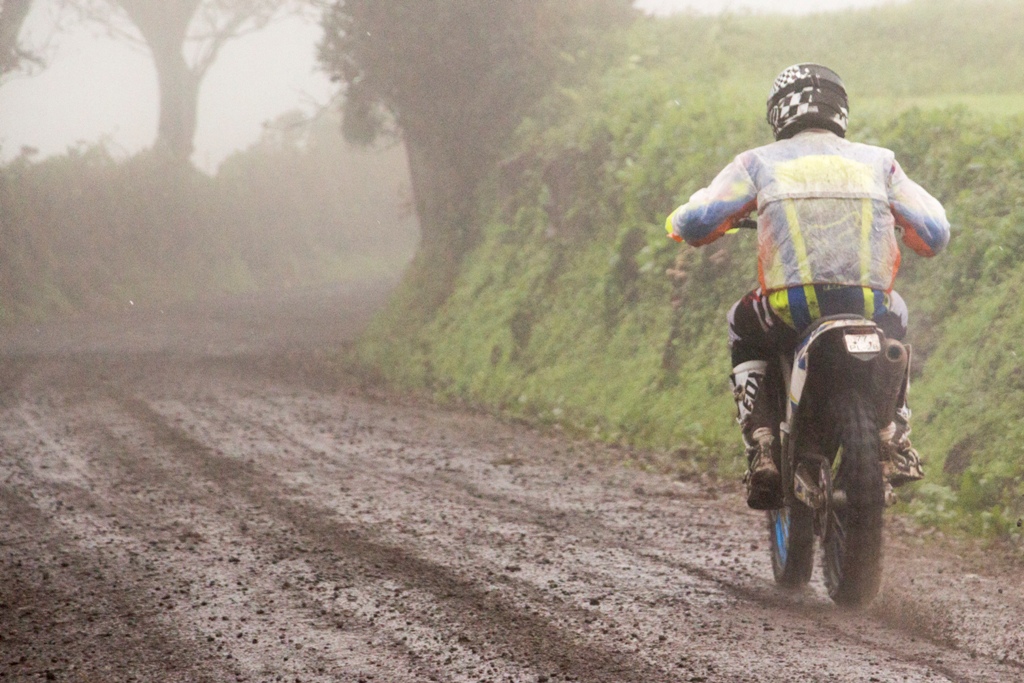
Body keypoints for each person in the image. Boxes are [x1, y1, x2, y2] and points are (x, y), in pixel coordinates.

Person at [664, 64, 950, 510]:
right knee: (898, 315)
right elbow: (935, 232)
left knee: (741, 320)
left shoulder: (758, 162)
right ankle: (893, 434)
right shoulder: (880, 162)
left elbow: (699, 221)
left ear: (779, 112)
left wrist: (679, 223)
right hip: (870, 305)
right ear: (841, 110)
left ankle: (761, 445)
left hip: (791, 306)